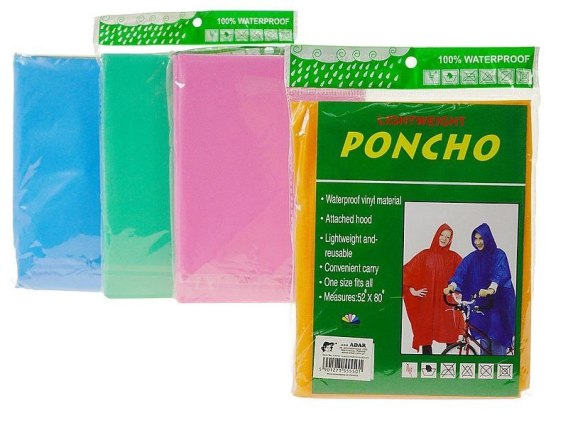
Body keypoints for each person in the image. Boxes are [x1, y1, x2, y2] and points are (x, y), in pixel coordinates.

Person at [445, 223, 516, 355]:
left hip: (498, 304)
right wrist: (452, 285)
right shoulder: (472, 257)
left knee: (496, 335)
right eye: (475, 239)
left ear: (487, 237)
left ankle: (499, 362)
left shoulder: (498, 254)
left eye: (481, 238)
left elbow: (500, 272)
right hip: (483, 304)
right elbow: (462, 271)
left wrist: (491, 288)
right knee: (484, 337)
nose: (477, 242)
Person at [403, 224, 463, 354]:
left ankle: (449, 364)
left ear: (451, 240)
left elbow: (464, 273)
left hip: (446, 303)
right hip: (428, 302)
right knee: (426, 335)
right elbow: (406, 271)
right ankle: (427, 364)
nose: (444, 239)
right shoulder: (425, 255)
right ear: (437, 235)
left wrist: (459, 291)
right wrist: (411, 290)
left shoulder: (454, 257)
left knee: (450, 334)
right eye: (442, 235)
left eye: (448, 237)